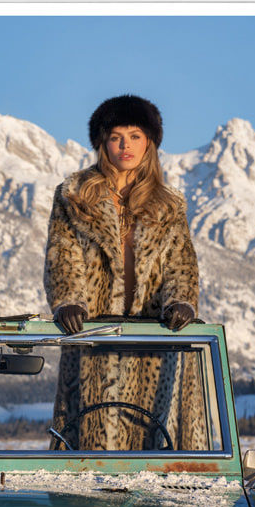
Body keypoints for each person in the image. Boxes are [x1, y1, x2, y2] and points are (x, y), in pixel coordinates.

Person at [43, 94, 204, 451]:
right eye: (116, 136)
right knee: (88, 451)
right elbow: (62, 255)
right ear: (103, 143)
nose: (125, 145)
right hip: (93, 338)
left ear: (150, 142)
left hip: (153, 341)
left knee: (154, 450)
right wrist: (67, 300)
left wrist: (181, 302)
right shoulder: (74, 195)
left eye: (134, 135)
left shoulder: (169, 203)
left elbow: (181, 263)